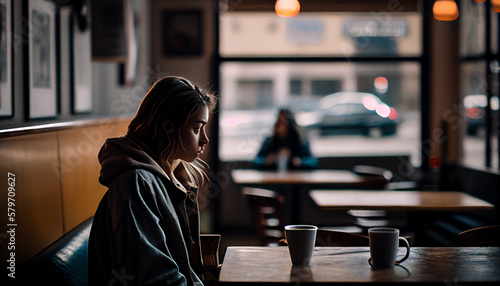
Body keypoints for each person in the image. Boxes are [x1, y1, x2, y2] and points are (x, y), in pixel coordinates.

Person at [88, 76, 217, 286]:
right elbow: (153, 277)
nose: (205, 139)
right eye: (197, 128)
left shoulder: (166, 176)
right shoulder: (135, 182)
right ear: (168, 126)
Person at [253, 108, 318, 170]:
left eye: (284, 122)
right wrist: (266, 161)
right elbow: (255, 162)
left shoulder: (300, 141)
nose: (281, 126)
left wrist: (300, 162)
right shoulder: (269, 141)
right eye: (279, 122)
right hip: (272, 179)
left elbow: (313, 162)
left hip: (296, 179)